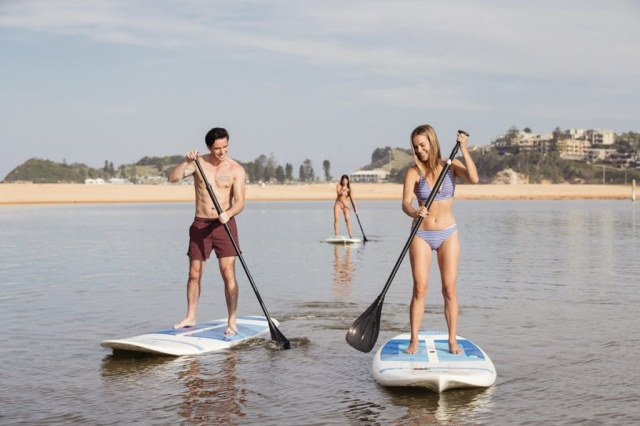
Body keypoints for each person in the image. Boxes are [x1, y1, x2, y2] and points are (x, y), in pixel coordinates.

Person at [402, 125, 478, 354]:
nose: (420, 150)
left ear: (432, 142)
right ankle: (414, 340)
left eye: (423, 145)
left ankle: (452, 340)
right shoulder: (413, 172)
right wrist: (414, 211)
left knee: (449, 289)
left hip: (448, 234)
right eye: (416, 146)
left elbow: (474, 178)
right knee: (420, 289)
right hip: (421, 235)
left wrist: (464, 148)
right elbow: (405, 203)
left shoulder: (450, 166)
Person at [168, 127, 246, 335]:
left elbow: (240, 203)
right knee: (194, 274)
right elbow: (172, 178)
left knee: (228, 273)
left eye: (225, 147)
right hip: (201, 224)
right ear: (209, 147)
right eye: (218, 148)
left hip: (224, 224)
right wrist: (186, 161)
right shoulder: (198, 163)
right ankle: (190, 316)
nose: (222, 152)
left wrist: (228, 213)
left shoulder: (236, 169)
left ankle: (232, 320)